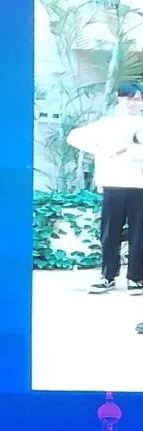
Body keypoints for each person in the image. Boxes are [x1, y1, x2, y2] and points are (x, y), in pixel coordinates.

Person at [66, 82, 143, 295]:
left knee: (139, 233)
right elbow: (74, 136)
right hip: (113, 184)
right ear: (119, 99)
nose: (134, 103)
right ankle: (107, 276)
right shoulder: (107, 124)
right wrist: (101, 149)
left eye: (138, 99)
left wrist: (129, 151)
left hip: (139, 185)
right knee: (110, 233)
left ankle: (136, 277)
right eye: (130, 98)